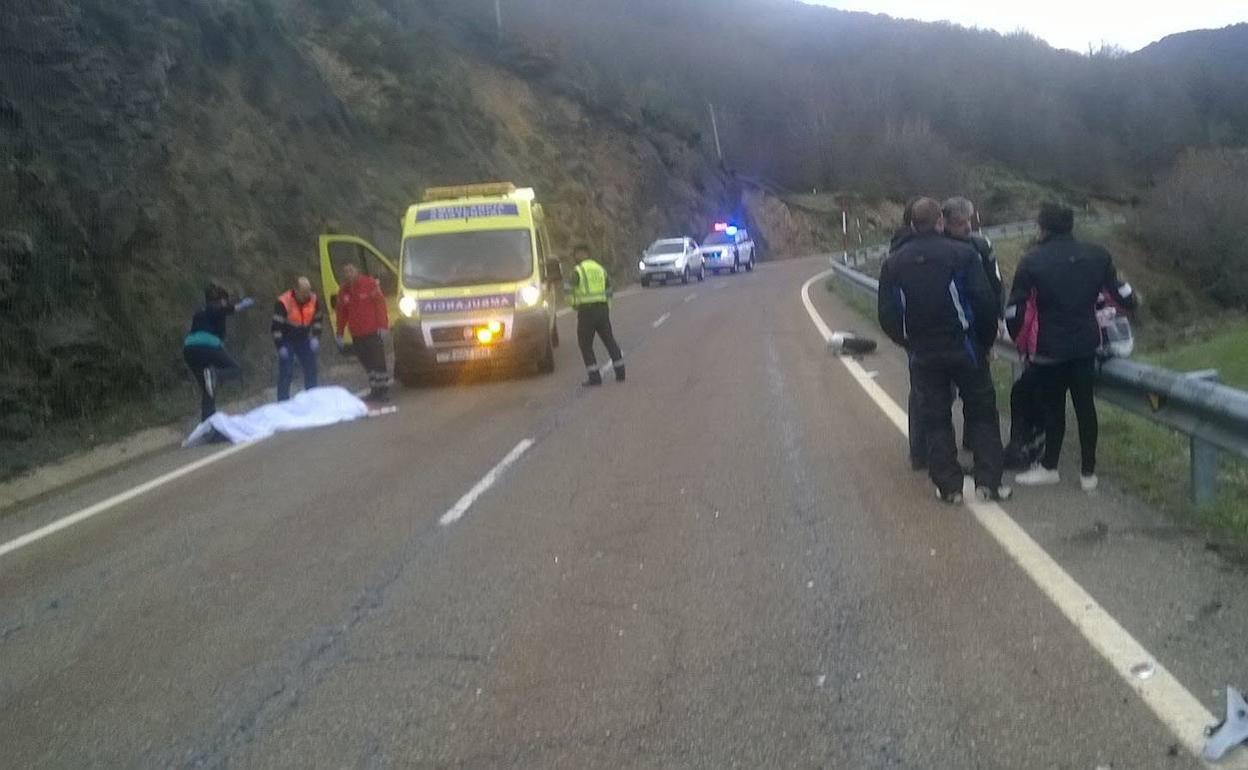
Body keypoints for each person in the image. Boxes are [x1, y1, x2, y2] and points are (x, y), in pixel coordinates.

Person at [878, 198, 1010, 504]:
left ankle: (948, 486)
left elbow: (887, 314)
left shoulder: (894, 263)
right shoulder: (963, 254)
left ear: (912, 225)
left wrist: (908, 342)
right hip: (964, 348)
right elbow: (984, 302)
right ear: (940, 222)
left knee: (935, 417)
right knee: (981, 412)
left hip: (923, 353)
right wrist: (984, 342)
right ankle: (988, 482)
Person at [1007, 203, 1137, 491]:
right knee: (1085, 406)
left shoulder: (1032, 261)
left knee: (1054, 408)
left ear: (1042, 227)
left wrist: (1021, 344)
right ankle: (1088, 474)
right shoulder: (1097, 255)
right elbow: (1123, 296)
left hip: (1048, 348)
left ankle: (1050, 466)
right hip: (1085, 344)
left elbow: (1015, 311)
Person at [183, 283, 254, 421]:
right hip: (207, 347)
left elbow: (219, 311)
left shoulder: (200, 311)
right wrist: (242, 305)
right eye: (225, 301)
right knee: (235, 369)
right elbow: (226, 309)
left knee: (208, 390)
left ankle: (207, 422)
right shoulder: (216, 307)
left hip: (189, 350)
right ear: (221, 300)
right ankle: (216, 375)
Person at [566, 244, 624, 386]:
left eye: (575, 254)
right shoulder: (600, 269)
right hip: (602, 310)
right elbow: (609, 290)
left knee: (585, 344)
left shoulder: (578, 271)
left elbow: (568, 290)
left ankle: (594, 377)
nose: (574, 257)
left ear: (581, 253)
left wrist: (574, 304)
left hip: (586, 312)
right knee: (609, 341)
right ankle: (621, 372)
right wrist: (607, 307)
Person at [334, 263, 391, 402]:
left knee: (378, 362)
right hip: (357, 334)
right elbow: (341, 314)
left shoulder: (369, 284)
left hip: (372, 331)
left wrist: (383, 326)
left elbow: (380, 305)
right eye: (346, 272)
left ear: (357, 271)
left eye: (351, 270)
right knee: (367, 363)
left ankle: (383, 389)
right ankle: (374, 389)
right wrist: (339, 333)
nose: (348, 274)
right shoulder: (344, 291)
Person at [272, 276, 323, 401]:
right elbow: (276, 327)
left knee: (311, 368)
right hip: (286, 339)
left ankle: (312, 398)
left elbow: (318, 320)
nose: (307, 295)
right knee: (286, 371)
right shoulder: (283, 302)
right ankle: (283, 401)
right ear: (296, 290)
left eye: (308, 291)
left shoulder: (313, 300)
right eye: (304, 292)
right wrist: (280, 346)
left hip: (304, 338)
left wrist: (316, 337)